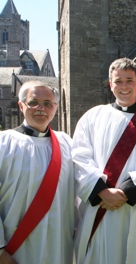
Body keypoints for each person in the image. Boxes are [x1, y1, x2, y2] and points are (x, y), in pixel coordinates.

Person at [72, 58, 136, 264]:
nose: (124, 86)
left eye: (129, 81)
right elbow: (80, 156)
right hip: (100, 206)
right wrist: (102, 191)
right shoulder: (92, 116)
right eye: (118, 81)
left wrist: (125, 193)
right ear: (110, 84)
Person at [0, 81, 75, 263]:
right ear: (21, 105)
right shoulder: (4, 143)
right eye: (33, 102)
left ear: (56, 108)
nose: (41, 108)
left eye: (48, 104)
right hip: (14, 249)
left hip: (59, 246)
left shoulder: (66, 144)